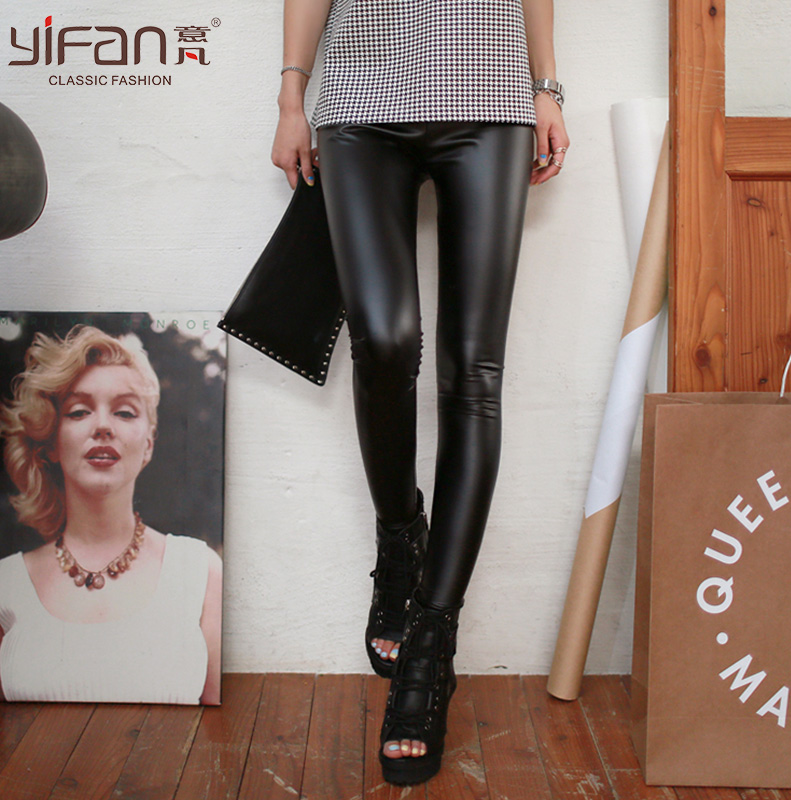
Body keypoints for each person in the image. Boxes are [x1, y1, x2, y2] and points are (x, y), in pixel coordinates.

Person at [272, 0, 568, 784]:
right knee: (384, 340)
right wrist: (291, 99)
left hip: (491, 92)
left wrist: (546, 87)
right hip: (359, 99)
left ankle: (432, 645)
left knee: (473, 372)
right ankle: (401, 532)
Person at [0, 325, 222, 705]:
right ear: (52, 443)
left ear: (148, 444)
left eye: (124, 412)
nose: (103, 426)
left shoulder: (200, 572)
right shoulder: (6, 583)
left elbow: (219, 727)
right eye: (79, 411)